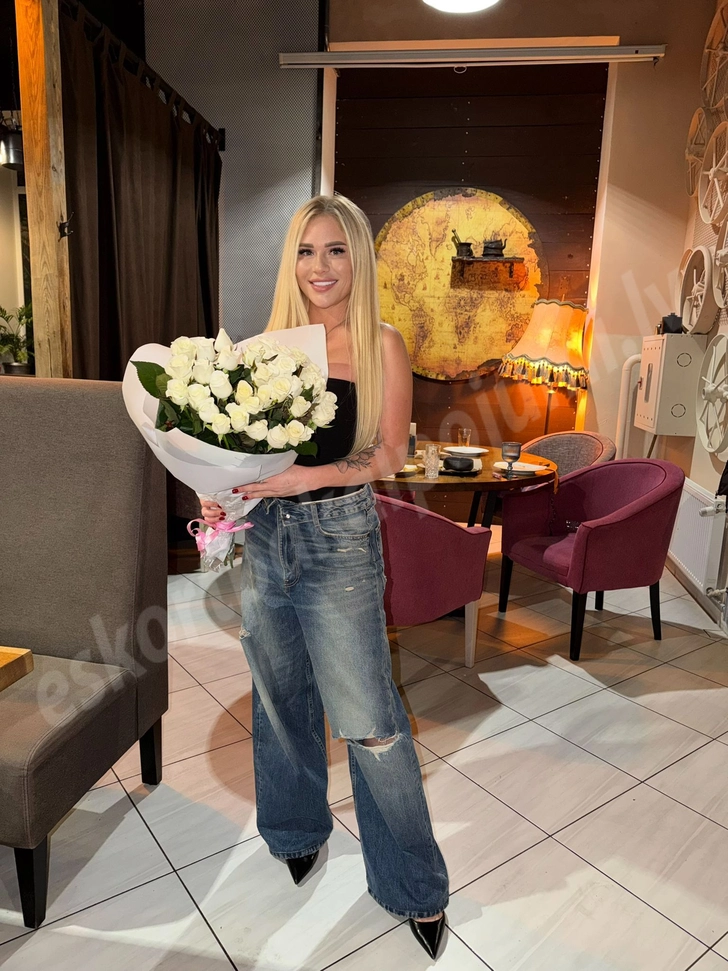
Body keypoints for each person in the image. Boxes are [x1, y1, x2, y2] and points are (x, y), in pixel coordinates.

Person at [200, 194, 449, 959]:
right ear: (293, 261)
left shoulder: (381, 343)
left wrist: (307, 479)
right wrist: (215, 488)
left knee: (369, 718)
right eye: (307, 250)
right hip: (264, 537)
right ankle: (294, 829)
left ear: (358, 258)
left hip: (339, 534)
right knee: (280, 698)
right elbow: (236, 453)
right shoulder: (264, 346)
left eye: (336, 249)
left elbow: (390, 454)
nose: (321, 266)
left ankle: (412, 882)